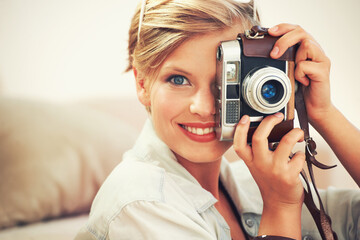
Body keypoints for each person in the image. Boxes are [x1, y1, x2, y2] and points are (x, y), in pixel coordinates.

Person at [75, 0, 360, 239]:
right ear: (142, 84)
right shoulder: (140, 202)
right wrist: (281, 208)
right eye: (178, 79)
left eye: (226, 81)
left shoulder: (250, 184)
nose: (204, 107)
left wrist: (322, 112)